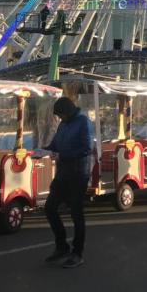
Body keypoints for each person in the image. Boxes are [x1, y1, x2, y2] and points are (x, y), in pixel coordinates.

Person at [42, 96, 94, 268]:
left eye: (61, 115)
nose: (60, 118)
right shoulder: (64, 124)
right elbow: (57, 144)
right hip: (63, 172)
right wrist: (44, 150)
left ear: (68, 111)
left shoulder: (83, 122)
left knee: (76, 213)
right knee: (50, 208)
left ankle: (77, 252)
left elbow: (87, 148)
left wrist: (65, 154)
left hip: (78, 173)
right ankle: (61, 246)